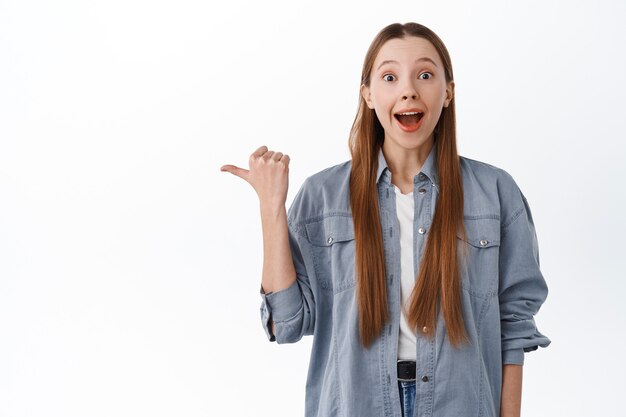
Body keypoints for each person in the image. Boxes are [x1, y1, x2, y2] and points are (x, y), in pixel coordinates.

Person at [221, 22, 551, 417]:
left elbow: (513, 324)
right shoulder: (323, 196)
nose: (408, 89)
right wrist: (271, 207)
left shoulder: (494, 192)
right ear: (369, 95)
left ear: (447, 93)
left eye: (425, 75)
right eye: (390, 77)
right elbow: (287, 324)